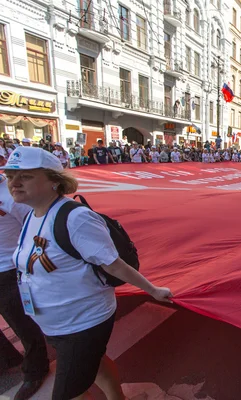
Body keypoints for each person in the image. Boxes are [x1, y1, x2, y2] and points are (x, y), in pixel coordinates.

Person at [1, 147, 173, 400]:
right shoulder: (32, 216)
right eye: (10, 176)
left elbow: (113, 265)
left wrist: (154, 290)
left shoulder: (76, 218)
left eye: (25, 176)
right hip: (56, 323)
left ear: (53, 181)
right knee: (95, 364)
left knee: (70, 391)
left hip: (83, 322)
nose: (14, 183)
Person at [0, 157, 50, 400]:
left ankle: (35, 370)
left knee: (23, 324)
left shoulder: (11, 196)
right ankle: (6, 358)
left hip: (8, 271)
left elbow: (33, 229)